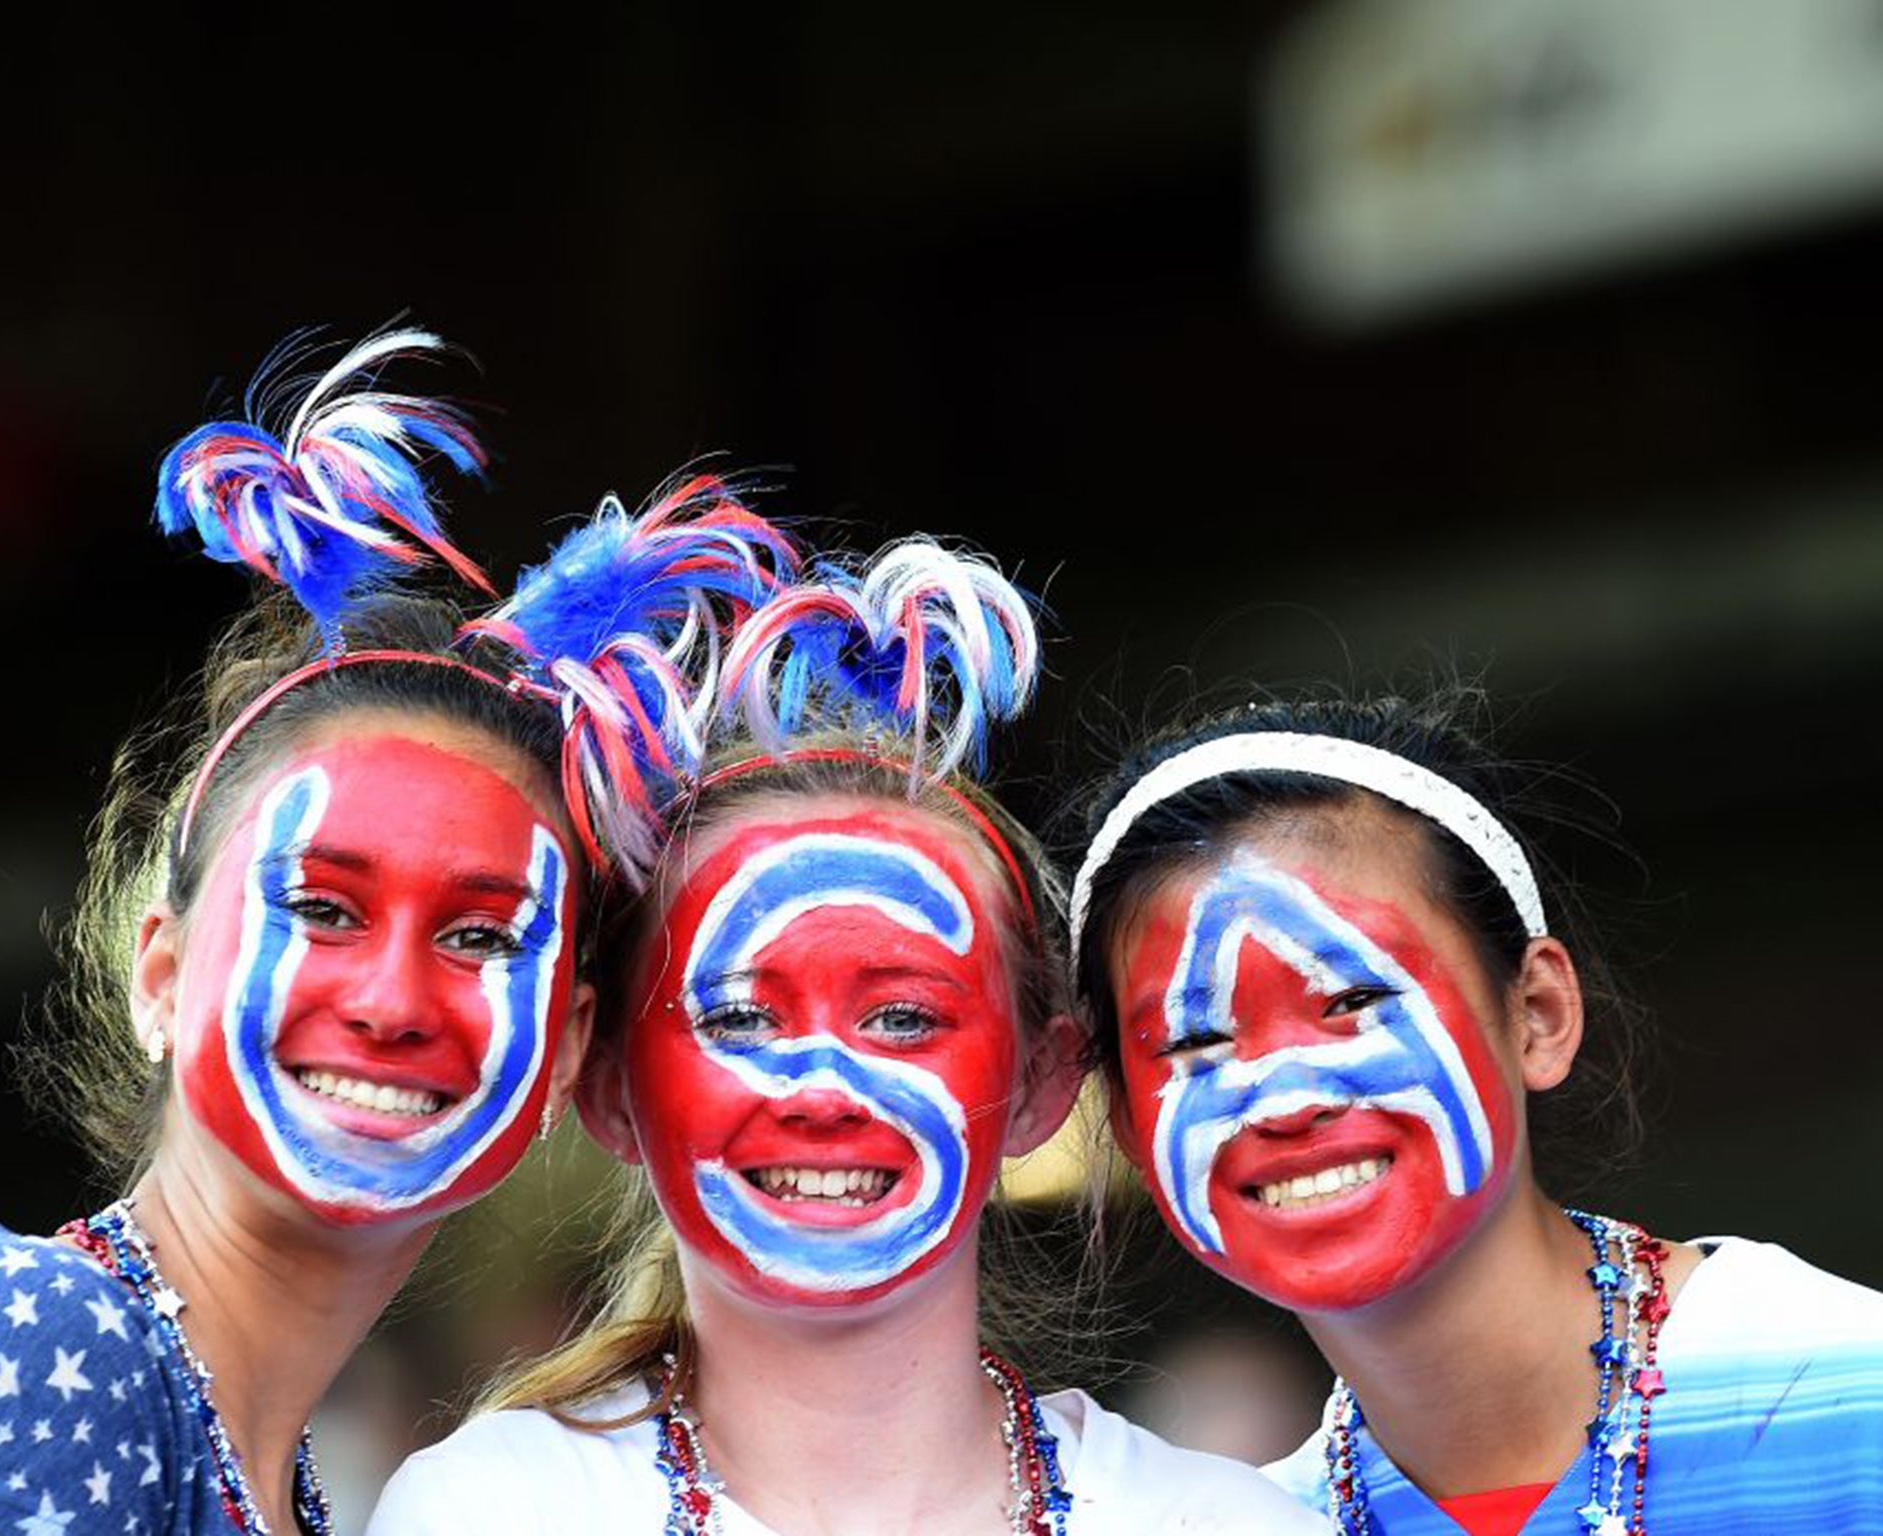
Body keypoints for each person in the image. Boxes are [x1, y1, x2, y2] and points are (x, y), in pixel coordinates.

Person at [0, 331, 791, 1536]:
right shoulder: (31, 1331)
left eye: (482, 938)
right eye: (325, 909)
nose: (392, 999)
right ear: (162, 976)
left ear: (565, 1048)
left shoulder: (289, 1482)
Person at [370, 543, 1321, 1535]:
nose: (822, 1086)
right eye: (740, 1016)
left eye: (901, 1017)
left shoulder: (1216, 1521)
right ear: (607, 1085)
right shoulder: (494, 1510)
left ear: (1042, 1079)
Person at [1066, 691, 1883, 1534]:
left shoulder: (1842, 1394)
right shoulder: (1252, 1521)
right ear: (1128, 1123)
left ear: (1538, 1013)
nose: (1288, 1097)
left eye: (1352, 999)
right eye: (1196, 1039)